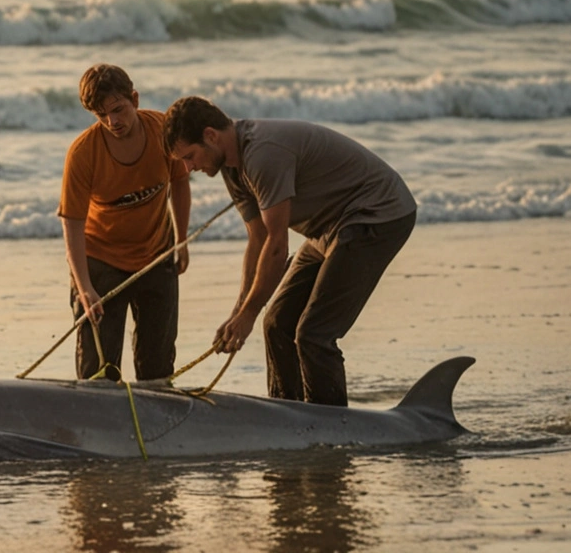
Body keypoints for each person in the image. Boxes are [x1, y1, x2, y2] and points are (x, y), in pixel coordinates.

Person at [162, 96, 416, 406]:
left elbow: (277, 246)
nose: (188, 169)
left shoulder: (262, 154)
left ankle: (332, 426)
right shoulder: (231, 166)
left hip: (376, 213)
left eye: (189, 156)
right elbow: (257, 240)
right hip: (327, 229)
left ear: (211, 136)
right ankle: (290, 415)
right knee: (276, 325)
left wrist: (248, 313)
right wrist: (239, 313)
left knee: (314, 334)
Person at [58, 64, 191, 382]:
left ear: (135, 99)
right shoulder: (83, 152)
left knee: (157, 368)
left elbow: (180, 184)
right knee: (98, 373)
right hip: (100, 264)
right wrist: (84, 286)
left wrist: (181, 240)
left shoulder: (162, 129)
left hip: (157, 257)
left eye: (118, 110)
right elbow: (72, 223)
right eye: (101, 115)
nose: (112, 122)